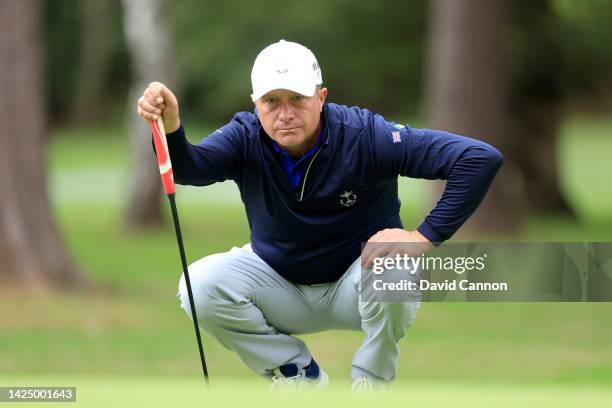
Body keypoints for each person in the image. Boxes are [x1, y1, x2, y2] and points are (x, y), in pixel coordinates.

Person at [137, 39, 503, 390]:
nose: (285, 113)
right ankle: (297, 374)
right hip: (277, 285)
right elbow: (191, 170)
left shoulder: (365, 135)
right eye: (271, 101)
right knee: (197, 285)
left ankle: (371, 383)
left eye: (298, 98)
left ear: (321, 96)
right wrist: (170, 126)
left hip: (357, 287)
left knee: (397, 272)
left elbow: (477, 159)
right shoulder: (245, 136)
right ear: (255, 104)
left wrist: (421, 238)